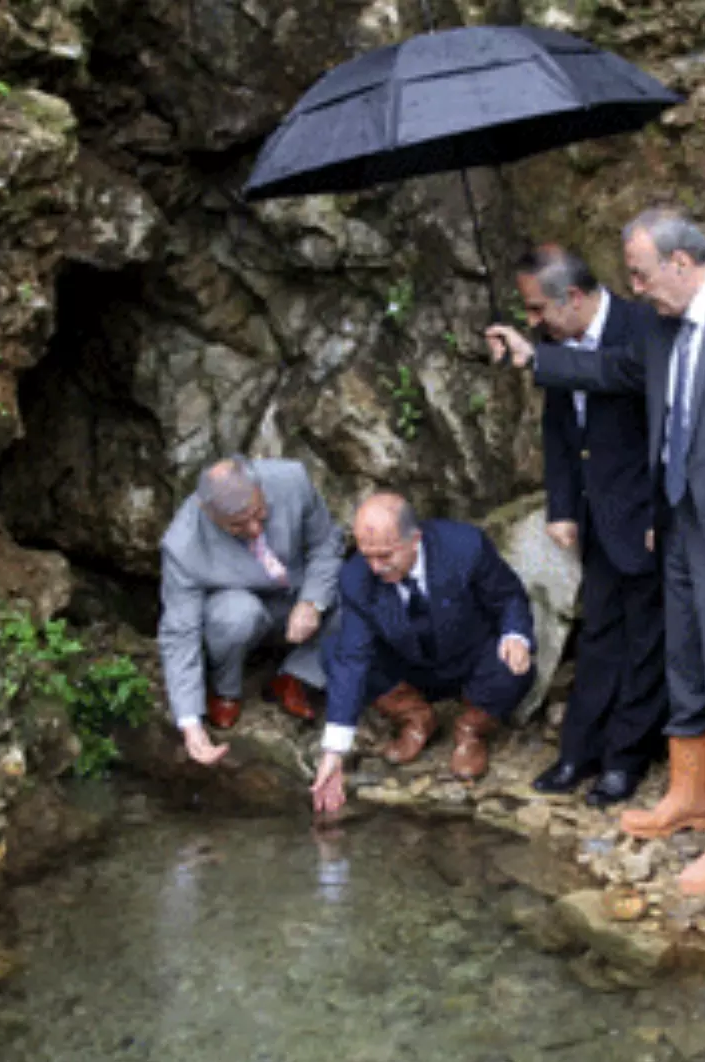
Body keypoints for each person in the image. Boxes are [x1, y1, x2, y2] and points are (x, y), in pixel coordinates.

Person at [487, 209, 705, 895]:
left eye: (641, 274)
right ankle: (691, 793)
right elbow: (615, 370)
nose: (634, 288)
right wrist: (537, 359)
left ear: (680, 263)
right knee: (686, 666)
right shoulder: (666, 327)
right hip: (674, 520)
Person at [513, 245, 667, 808]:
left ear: (572, 298)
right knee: (599, 631)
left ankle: (625, 759)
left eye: (537, 309)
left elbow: (665, 435)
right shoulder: (555, 345)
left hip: (644, 515)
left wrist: (659, 513)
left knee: (647, 639)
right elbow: (559, 430)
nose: (533, 322)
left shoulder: (642, 326)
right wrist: (561, 507)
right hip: (596, 515)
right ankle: (579, 750)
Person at [311, 494, 535, 809]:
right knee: (335, 650)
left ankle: (471, 731)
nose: (375, 567)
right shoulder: (355, 576)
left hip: (471, 656)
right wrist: (333, 752)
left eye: (385, 555)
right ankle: (416, 717)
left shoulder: (465, 546)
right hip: (409, 665)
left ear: (414, 539)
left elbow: (509, 598)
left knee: (514, 665)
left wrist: (516, 635)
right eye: (368, 556)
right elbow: (353, 659)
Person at [158, 456, 344, 766]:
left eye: (259, 514)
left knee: (355, 589)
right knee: (237, 614)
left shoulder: (292, 479)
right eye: (237, 525)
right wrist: (190, 724)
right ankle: (226, 690)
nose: (255, 528)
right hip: (237, 612)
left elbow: (327, 544)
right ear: (208, 514)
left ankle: (296, 675)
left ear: (259, 486)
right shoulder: (182, 544)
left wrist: (312, 601)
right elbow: (179, 632)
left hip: (296, 595)